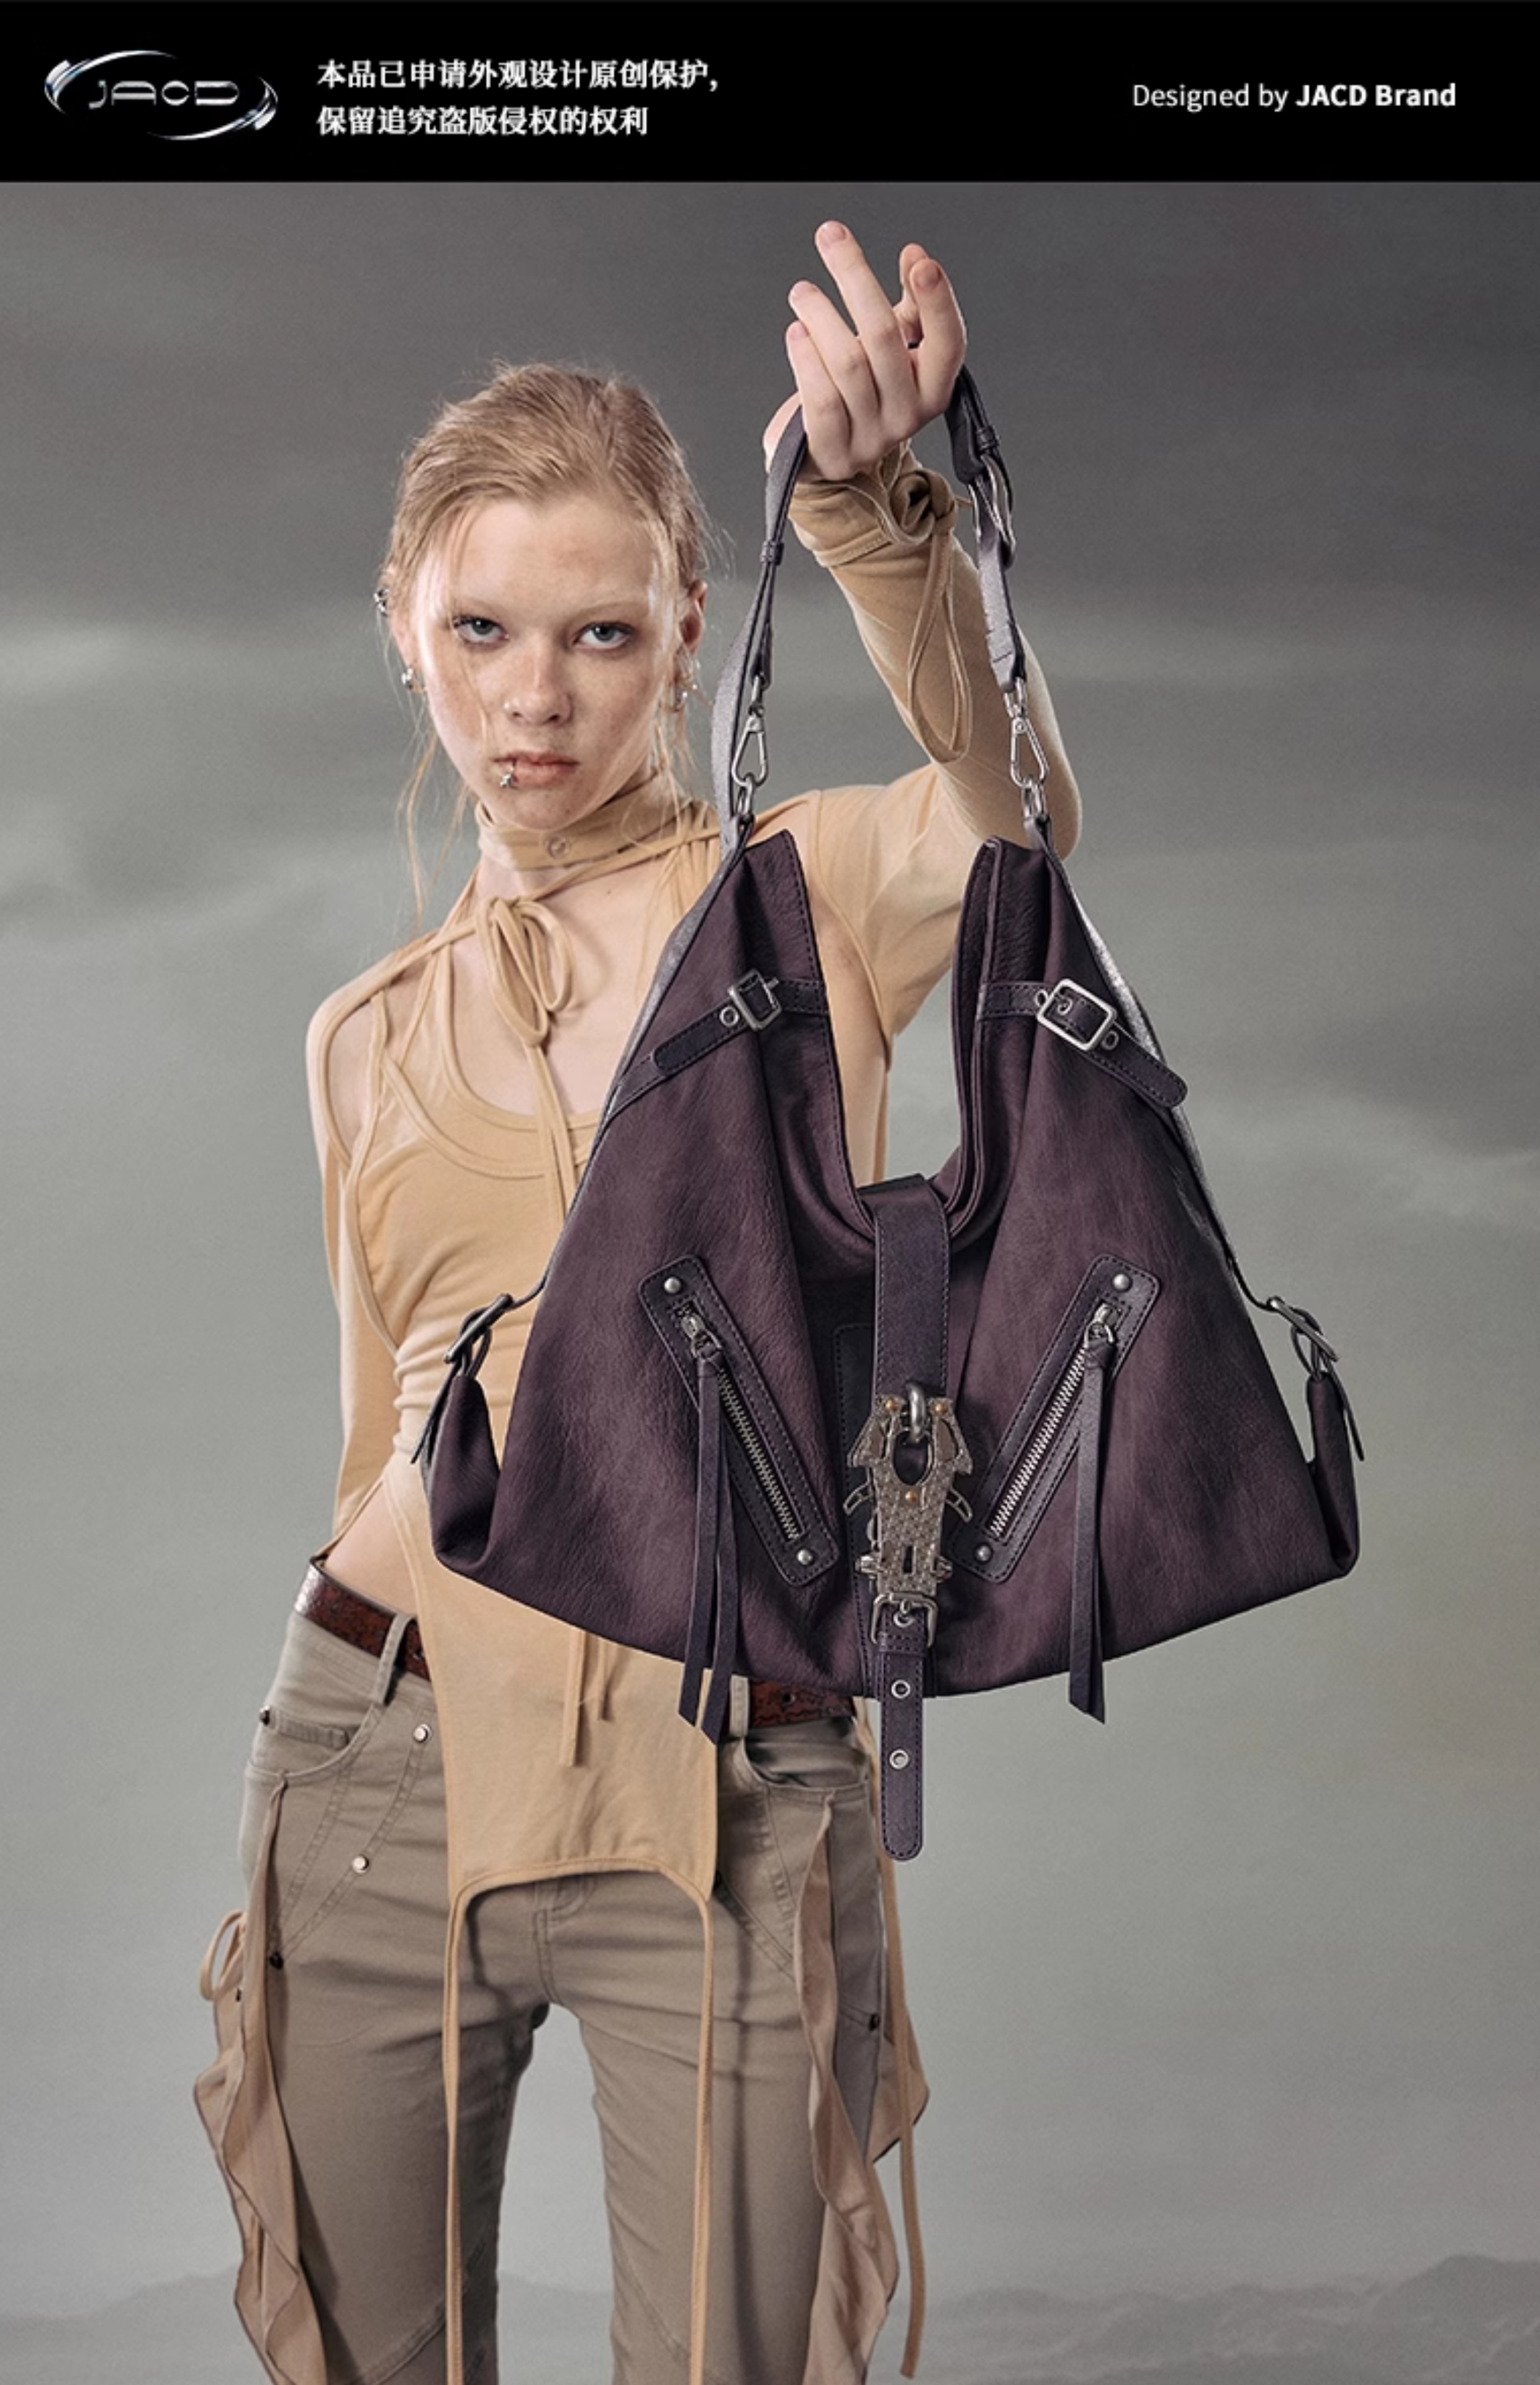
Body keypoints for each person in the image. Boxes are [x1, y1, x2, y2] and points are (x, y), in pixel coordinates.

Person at [196, 222, 1080, 2385]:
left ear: (687, 625)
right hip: (379, 1746)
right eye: (482, 629)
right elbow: (388, 1437)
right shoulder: (360, 1034)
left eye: (600, 632)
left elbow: (1024, 822)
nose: (537, 695)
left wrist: (879, 521)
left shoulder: (803, 899)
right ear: (403, 630)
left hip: (728, 1770)